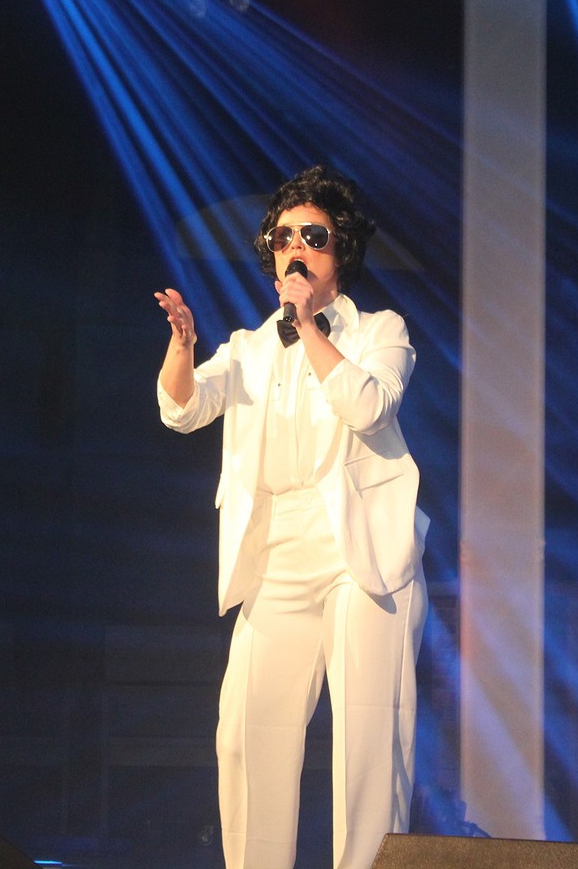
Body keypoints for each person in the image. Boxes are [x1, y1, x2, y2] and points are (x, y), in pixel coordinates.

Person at [153, 165, 428, 869]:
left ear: (342, 251)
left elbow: (369, 406)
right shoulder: (248, 347)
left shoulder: (380, 331)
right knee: (246, 734)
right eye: (283, 238)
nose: (295, 248)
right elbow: (183, 409)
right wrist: (182, 347)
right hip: (276, 549)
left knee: (368, 743)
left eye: (314, 236)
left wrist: (307, 325)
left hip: (360, 555)